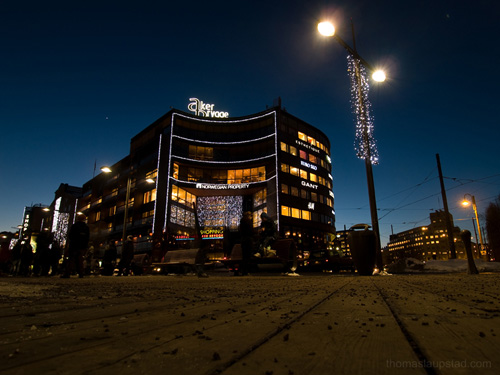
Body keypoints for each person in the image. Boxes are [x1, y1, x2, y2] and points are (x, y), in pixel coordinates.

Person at [238, 211, 254, 275]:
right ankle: (246, 271)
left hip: (243, 240)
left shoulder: (242, 222)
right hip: (248, 240)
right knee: (248, 256)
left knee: (244, 256)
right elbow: (251, 231)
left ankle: (243, 271)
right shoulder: (248, 222)